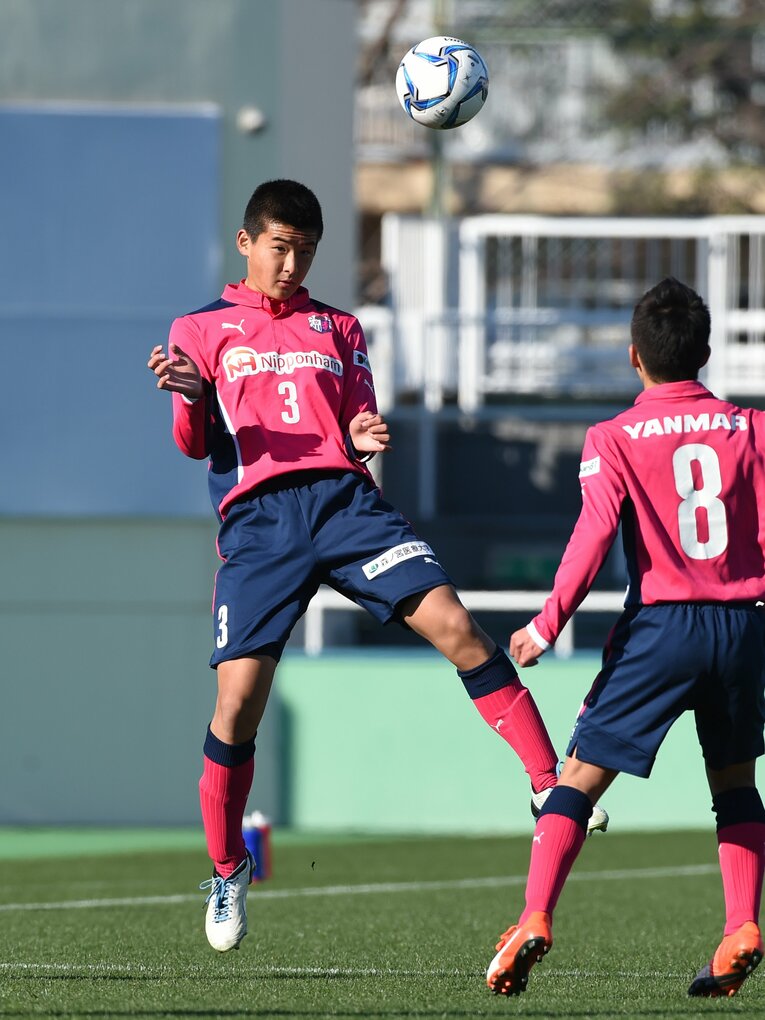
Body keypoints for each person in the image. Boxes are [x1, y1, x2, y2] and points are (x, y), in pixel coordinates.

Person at [147, 179, 607, 955]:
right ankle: (229, 870)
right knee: (238, 705)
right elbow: (193, 443)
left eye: (306, 252)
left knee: (457, 626)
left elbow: (358, 413)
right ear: (246, 243)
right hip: (261, 524)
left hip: (346, 507)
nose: (291, 265)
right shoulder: (199, 329)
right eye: (279, 248)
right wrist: (190, 397)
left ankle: (544, 779)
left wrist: (362, 432)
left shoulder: (340, 326)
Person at [487, 277, 765, 1000]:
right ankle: (740, 924)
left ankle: (533, 917)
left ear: (633, 356)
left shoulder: (611, 437)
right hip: (741, 626)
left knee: (576, 776)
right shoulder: (752, 430)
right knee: (734, 782)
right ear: (703, 353)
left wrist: (546, 622)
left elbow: (591, 536)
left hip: (661, 627)